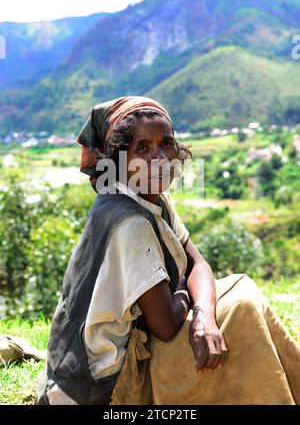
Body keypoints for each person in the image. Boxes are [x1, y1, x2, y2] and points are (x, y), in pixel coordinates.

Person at [36, 96, 300, 405]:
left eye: (167, 144)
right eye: (143, 149)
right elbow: (166, 325)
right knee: (240, 309)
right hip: (108, 386)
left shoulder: (150, 197)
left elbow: (197, 264)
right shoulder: (129, 222)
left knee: (241, 290)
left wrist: (203, 314)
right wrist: (186, 293)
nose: (160, 158)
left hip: (134, 351)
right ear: (120, 160)